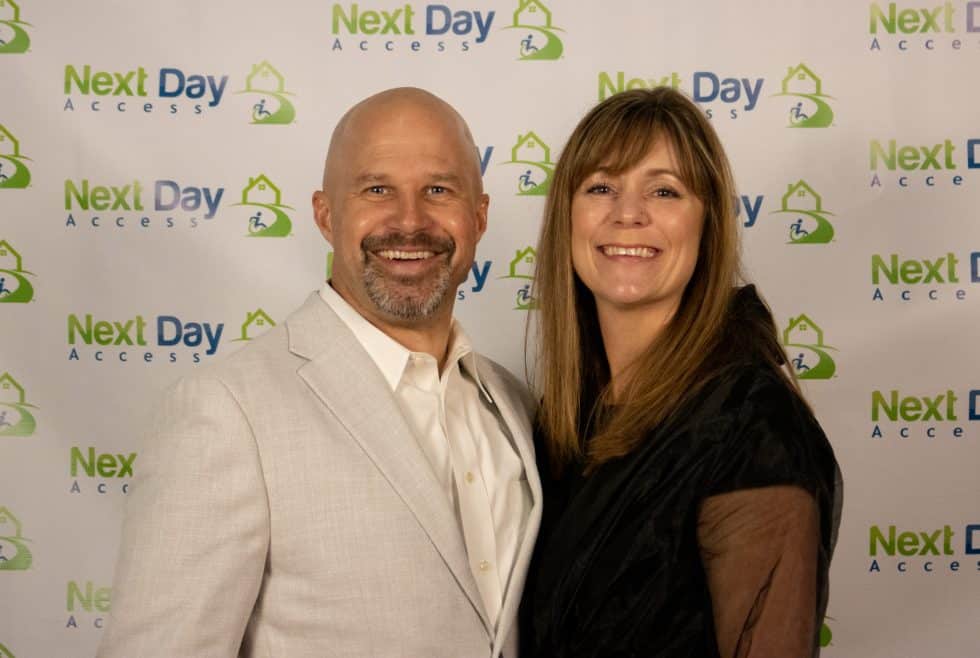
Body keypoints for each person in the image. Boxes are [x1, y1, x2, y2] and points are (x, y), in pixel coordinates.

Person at [99, 88, 541, 658]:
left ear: (478, 217)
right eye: (376, 189)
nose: (410, 220)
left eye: (438, 189)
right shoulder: (228, 410)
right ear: (325, 215)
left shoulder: (511, 404)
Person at [519, 88, 841, 658]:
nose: (628, 213)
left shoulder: (750, 425)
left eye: (664, 190)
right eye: (600, 187)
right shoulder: (566, 420)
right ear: (566, 216)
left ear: (707, 224)